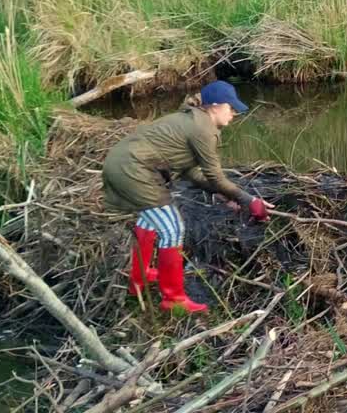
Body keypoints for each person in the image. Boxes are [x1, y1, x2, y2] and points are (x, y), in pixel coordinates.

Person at [101, 80, 274, 314]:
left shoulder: (192, 120)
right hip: (134, 169)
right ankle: (173, 300)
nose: (234, 113)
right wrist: (250, 201)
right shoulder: (203, 129)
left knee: (148, 220)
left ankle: (140, 277)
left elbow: (191, 172)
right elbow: (215, 176)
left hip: (122, 163)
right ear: (215, 106)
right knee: (173, 229)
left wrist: (222, 193)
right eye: (231, 107)